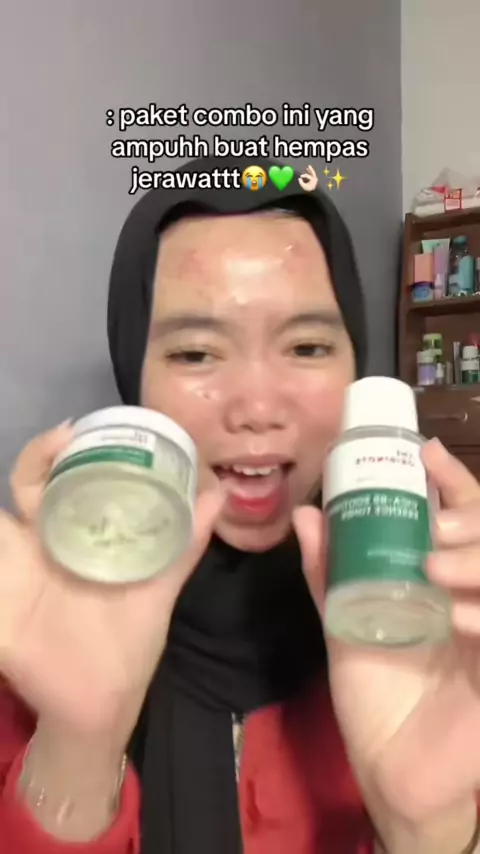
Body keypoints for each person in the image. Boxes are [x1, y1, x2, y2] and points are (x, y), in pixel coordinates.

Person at [1, 157, 480, 854]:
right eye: (196, 354)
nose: (257, 407)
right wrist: (78, 746)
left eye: (307, 346)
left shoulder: (447, 641)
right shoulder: (41, 632)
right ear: (134, 375)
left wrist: (429, 829)